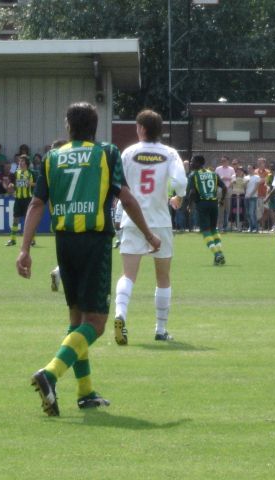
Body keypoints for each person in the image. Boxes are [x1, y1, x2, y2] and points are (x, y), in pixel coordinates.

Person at [16, 101, 160, 417]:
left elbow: (37, 204)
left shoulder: (53, 157)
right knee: (95, 323)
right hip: (94, 242)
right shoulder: (106, 153)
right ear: (95, 127)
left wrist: (25, 249)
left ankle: (85, 392)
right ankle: (50, 374)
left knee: (77, 321)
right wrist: (149, 235)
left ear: (69, 126)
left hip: (64, 244)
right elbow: (126, 197)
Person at [112, 109, 187, 345]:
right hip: (160, 222)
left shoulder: (129, 152)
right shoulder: (169, 153)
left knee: (128, 274)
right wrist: (179, 197)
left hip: (132, 219)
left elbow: (118, 185)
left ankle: (120, 314)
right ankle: (161, 328)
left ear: (141, 129)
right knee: (162, 277)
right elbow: (180, 182)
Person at [184, 154, 227, 265]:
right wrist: (221, 200)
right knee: (214, 229)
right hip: (213, 203)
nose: (191, 163)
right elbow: (224, 187)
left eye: (192, 161)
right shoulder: (213, 173)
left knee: (206, 231)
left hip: (202, 203)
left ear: (198, 163)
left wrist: (189, 204)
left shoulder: (193, 175)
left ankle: (217, 254)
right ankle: (220, 253)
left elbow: (192, 192)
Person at [6, 155, 35, 246]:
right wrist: (11, 185)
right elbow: (12, 183)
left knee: (29, 221)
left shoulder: (31, 173)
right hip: (18, 199)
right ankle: (13, 239)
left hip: (28, 199)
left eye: (22, 161)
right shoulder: (16, 173)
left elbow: (38, 183)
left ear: (26, 163)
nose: (20, 163)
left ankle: (32, 240)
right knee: (15, 219)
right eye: (19, 161)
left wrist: (31, 183)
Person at [215, 156, 235, 231]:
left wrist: (226, 178)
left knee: (228, 209)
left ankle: (228, 226)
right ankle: (219, 227)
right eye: (222, 161)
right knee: (220, 209)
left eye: (224, 161)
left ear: (228, 161)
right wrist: (221, 179)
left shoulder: (231, 169)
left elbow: (233, 180)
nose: (223, 162)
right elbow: (215, 179)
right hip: (220, 190)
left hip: (228, 189)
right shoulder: (218, 169)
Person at [244, 164, 260, 233]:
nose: (248, 169)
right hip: (246, 197)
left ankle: (255, 228)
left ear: (253, 169)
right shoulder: (246, 177)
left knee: (251, 213)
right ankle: (250, 227)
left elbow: (256, 187)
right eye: (248, 168)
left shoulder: (257, 177)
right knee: (247, 213)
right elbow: (244, 187)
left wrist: (251, 194)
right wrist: (245, 184)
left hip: (253, 197)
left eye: (250, 168)